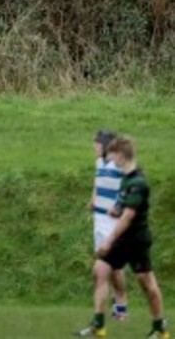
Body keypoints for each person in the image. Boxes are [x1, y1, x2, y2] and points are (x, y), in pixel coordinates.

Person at [76, 135, 169, 339]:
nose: (110, 158)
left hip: (136, 240)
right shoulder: (126, 178)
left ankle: (160, 328)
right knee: (100, 269)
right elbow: (122, 205)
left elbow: (127, 218)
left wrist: (108, 241)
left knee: (147, 284)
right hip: (123, 239)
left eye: (112, 154)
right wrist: (115, 209)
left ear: (121, 155)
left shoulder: (138, 182)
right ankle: (98, 325)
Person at [87, 130, 128, 322]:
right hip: (98, 220)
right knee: (105, 266)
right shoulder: (98, 163)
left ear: (105, 145)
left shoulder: (119, 164)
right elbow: (97, 183)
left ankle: (121, 304)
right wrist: (92, 199)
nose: (94, 146)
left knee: (114, 267)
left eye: (96, 143)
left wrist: (119, 206)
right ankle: (113, 307)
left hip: (113, 223)